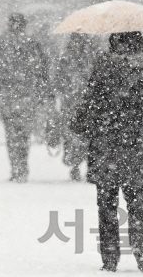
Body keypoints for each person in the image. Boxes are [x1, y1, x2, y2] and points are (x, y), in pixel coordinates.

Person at [71, 31, 143, 272]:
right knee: (137, 197)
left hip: (105, 140)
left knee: (106, 200)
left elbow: (90, 99)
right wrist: (128, 97)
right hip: (134, 141)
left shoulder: (102, 65)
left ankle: (109, 255)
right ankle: (140, 247)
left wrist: (81, 121)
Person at [0, 12, 50, 183]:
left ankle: (16, 167)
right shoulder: (33, 44)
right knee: (24, 134)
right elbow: (43, 72)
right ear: (24, 26)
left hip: (7, 97)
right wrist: (43, 94)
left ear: (9, 25)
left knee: (12, 134)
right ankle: (22, 166)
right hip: (27, 97)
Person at [51, 33, 100, 181]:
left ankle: (75, 164)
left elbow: (58, 80)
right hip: (87, 103)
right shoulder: (94, 55)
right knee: (88, 135)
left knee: (73, 134)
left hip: (72, 103)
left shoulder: (66, 57)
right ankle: (87, 165)